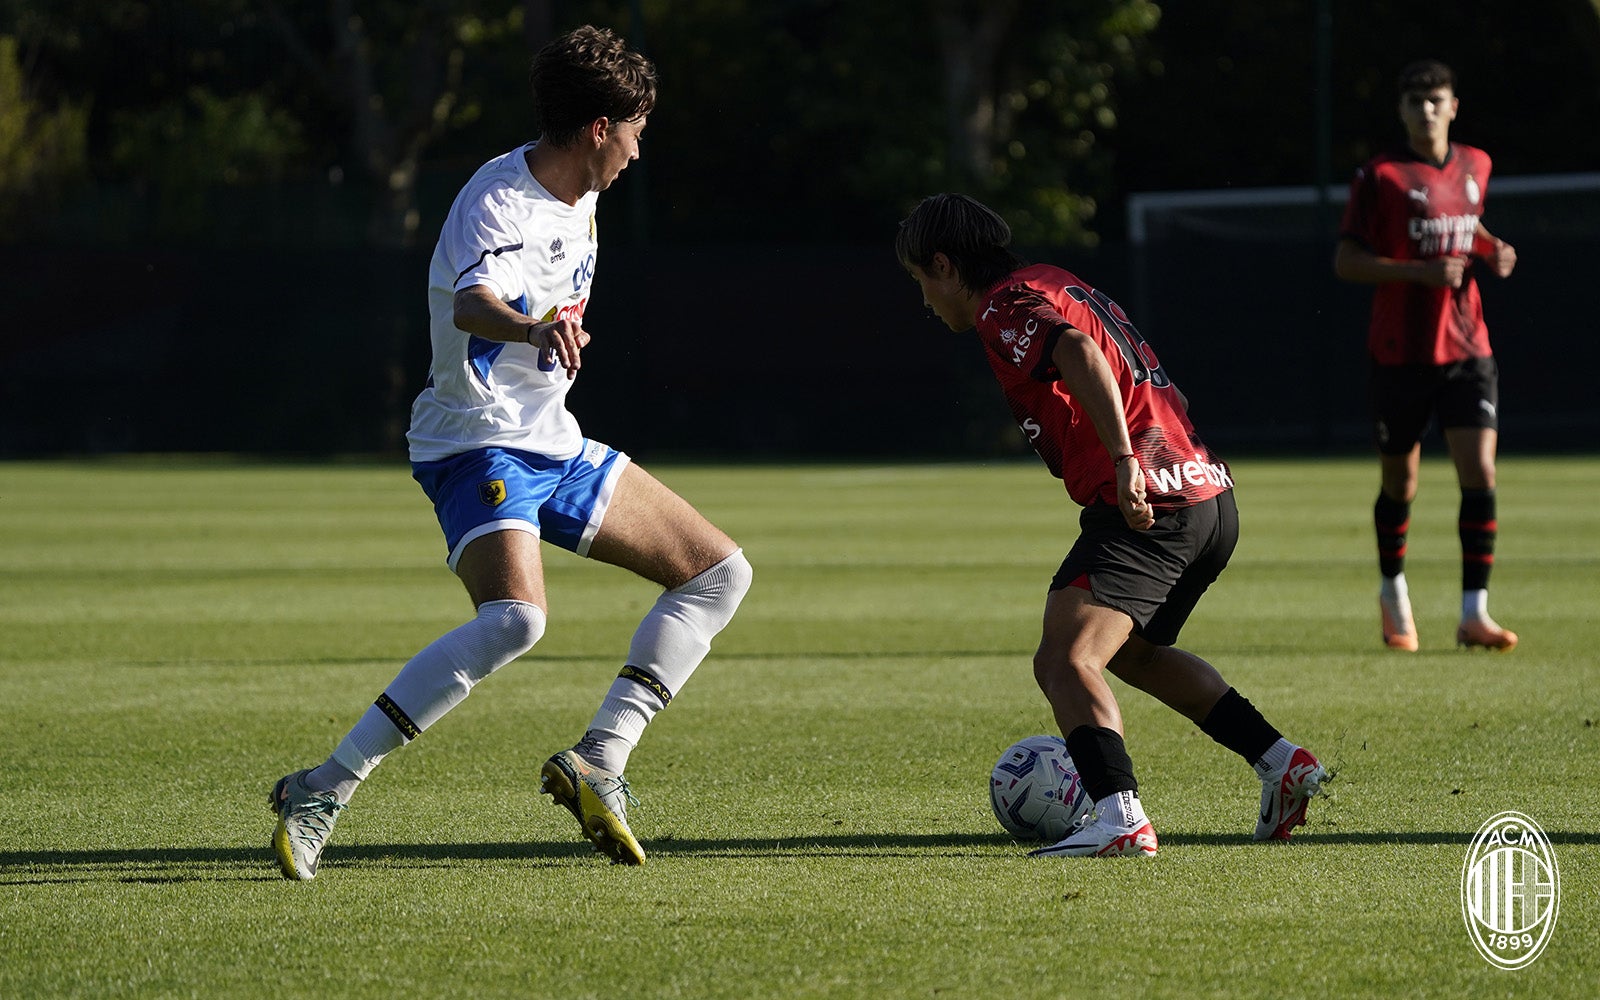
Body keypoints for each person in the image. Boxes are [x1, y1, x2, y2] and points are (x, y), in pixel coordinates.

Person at [268, 25, 752, 879]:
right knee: (515, 620)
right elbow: (471, 303)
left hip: (550, 440)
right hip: (474, 441)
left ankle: (601, 757)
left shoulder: (584, 191)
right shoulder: (499, 197)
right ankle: (325, 788)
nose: (642, 147)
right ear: (599, 128)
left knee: (719, 574)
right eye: (636, 127)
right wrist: (535, 327)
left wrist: (557, 331)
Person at [895, 193, 1325, 857]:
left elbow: (1078, 353)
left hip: (1149, 502)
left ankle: (1120, 819)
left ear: (946, 266)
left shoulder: (1002, 305)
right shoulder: (1053, 280)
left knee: (1066, 659)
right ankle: (1281, 762)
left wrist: (1126, 461)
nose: (925, 299)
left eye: (921, 279)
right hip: (1207, 498)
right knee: (1131, 653)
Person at [1335, 58, 1518, 653]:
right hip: (1401, 352)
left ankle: (1474, 614)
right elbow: (1346, 260)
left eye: (1436, 99)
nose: (1426, 110)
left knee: (1481, 474)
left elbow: (1466, 223)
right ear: (1402, 110)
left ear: (1454, 105)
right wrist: (1419, 272)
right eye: (1415, 101)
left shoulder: (1477, 164)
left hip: (1468, 347)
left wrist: (1492, 246)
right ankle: (1394, 592)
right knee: (1401, 483)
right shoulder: (1379, 175)